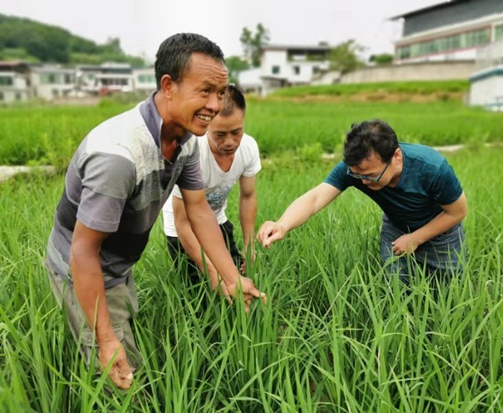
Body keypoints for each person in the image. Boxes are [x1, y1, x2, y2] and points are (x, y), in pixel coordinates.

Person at [44, 33, 266, 390]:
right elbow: (83, 251)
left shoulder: (186, 139)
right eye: (205, 90)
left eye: (221, 92)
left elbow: (199, 211)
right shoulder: (117, 157)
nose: (214, 103)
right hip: (82, 267)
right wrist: (105, 341)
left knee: (122, 329)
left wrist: (230, 276)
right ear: (168, 85)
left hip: (117, 261)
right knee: (121, 373)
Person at [257, 119, 467, 283]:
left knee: (448, 289)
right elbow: (315, 198)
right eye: (358, 175)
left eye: (372, 175)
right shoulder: (357, 169)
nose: (364, 181)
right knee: (394, 287)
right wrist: (282, 224)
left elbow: (457, 212)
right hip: (397, 228)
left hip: (442, 232)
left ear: (396, 157)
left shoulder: (431, 167)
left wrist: (416, 238)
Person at [162, 85, 261, 293]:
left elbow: (248, 197)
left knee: (240, 282)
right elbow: (183, 222)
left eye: (236, 132)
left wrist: (249, 244)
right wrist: (215, 275)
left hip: (216, 221)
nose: (230, 142)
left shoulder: (249, 148)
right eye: (220, 134)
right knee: (200, 294)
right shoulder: (191, 153)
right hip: (183, 230)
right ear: (206, 125)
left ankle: (246, 324)